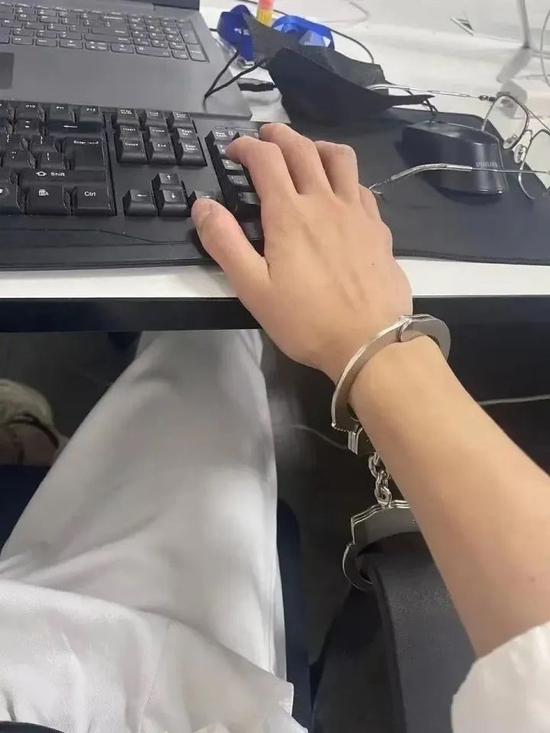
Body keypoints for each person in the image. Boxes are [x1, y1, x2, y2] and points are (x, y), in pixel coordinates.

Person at [0, 123, 549, 733]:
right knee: (212, 352)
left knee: (206, 349)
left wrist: (369, 341)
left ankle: (38, 445)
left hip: (69, 678)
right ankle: (46, 445)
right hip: (114, 667)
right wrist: (370, 342)